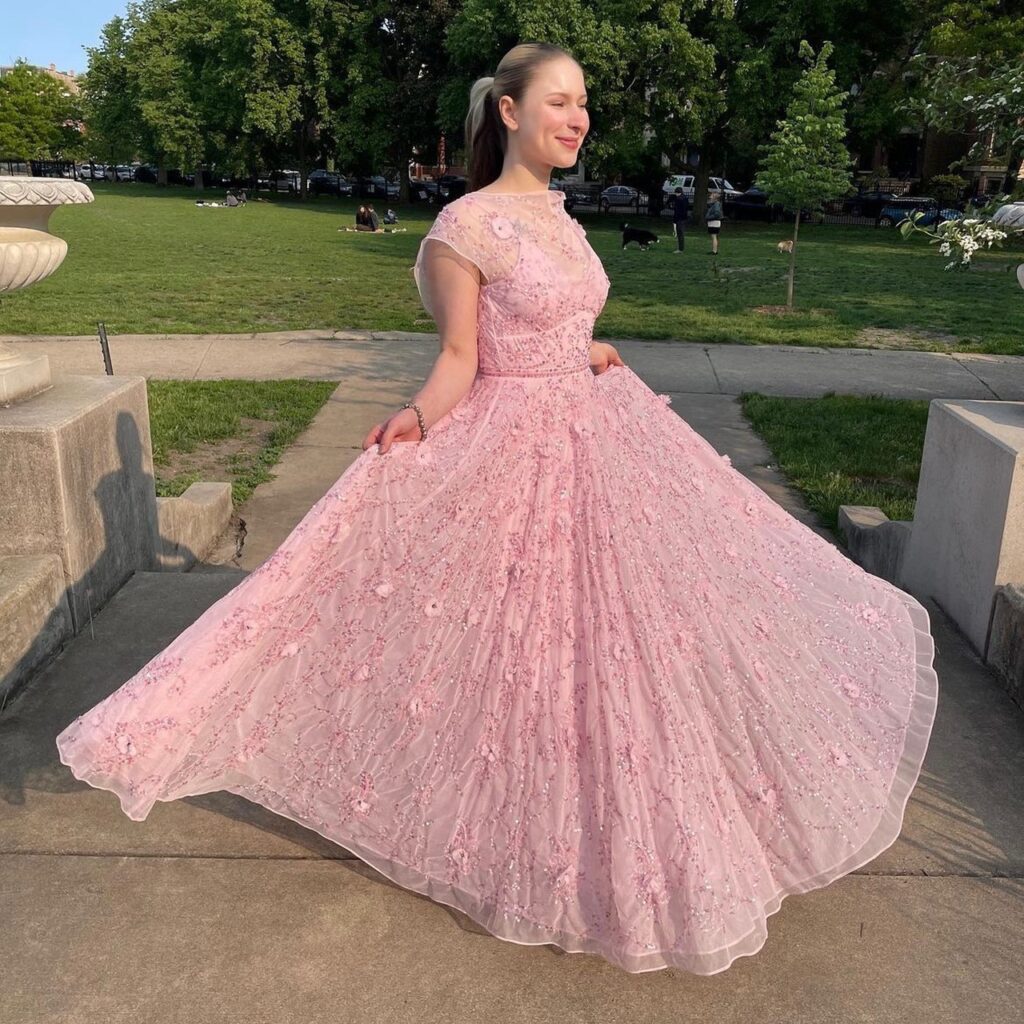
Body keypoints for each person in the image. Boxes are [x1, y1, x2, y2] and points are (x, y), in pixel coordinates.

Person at [56, 43, 938, 977]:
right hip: (514, 447)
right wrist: (415, 421)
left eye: (584, 104)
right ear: (508, 111)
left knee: (629, 637)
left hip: (599, 438)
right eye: (559, 102)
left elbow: (559, 322)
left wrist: (585, 352)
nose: (577, 118)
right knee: (521, 644)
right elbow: (462, 360)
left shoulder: (559, 214)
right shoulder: (463, 228)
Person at [671, 185, 689, 252]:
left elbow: (677, 211)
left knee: (680, 234)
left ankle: (680, 249)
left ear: (677, 192)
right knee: (681, 234)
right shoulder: (685, 198)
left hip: (679, 219)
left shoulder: (678, 199)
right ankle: (681, 248)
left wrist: (675, 220)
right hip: (684, 218)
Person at [706, 189, 724, 254]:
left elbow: (717, 213)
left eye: (712, 194)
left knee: (714, 236)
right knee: (714, 236)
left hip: (714, 222)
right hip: (713, 222)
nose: (710, 195)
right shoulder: (714, 204)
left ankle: (714, 251)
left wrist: (709, 217)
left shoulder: (716, 204)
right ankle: (714, 250)